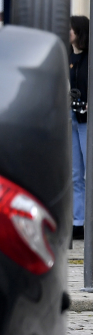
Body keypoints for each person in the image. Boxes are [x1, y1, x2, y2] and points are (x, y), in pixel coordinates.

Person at [72, 15, 89, 241]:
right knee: (75, 174)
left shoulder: (90, 58)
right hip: (71, 117)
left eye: (71, 29)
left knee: (89, 172)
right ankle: (78, 223)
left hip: (87, 119)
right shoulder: (68, 56)